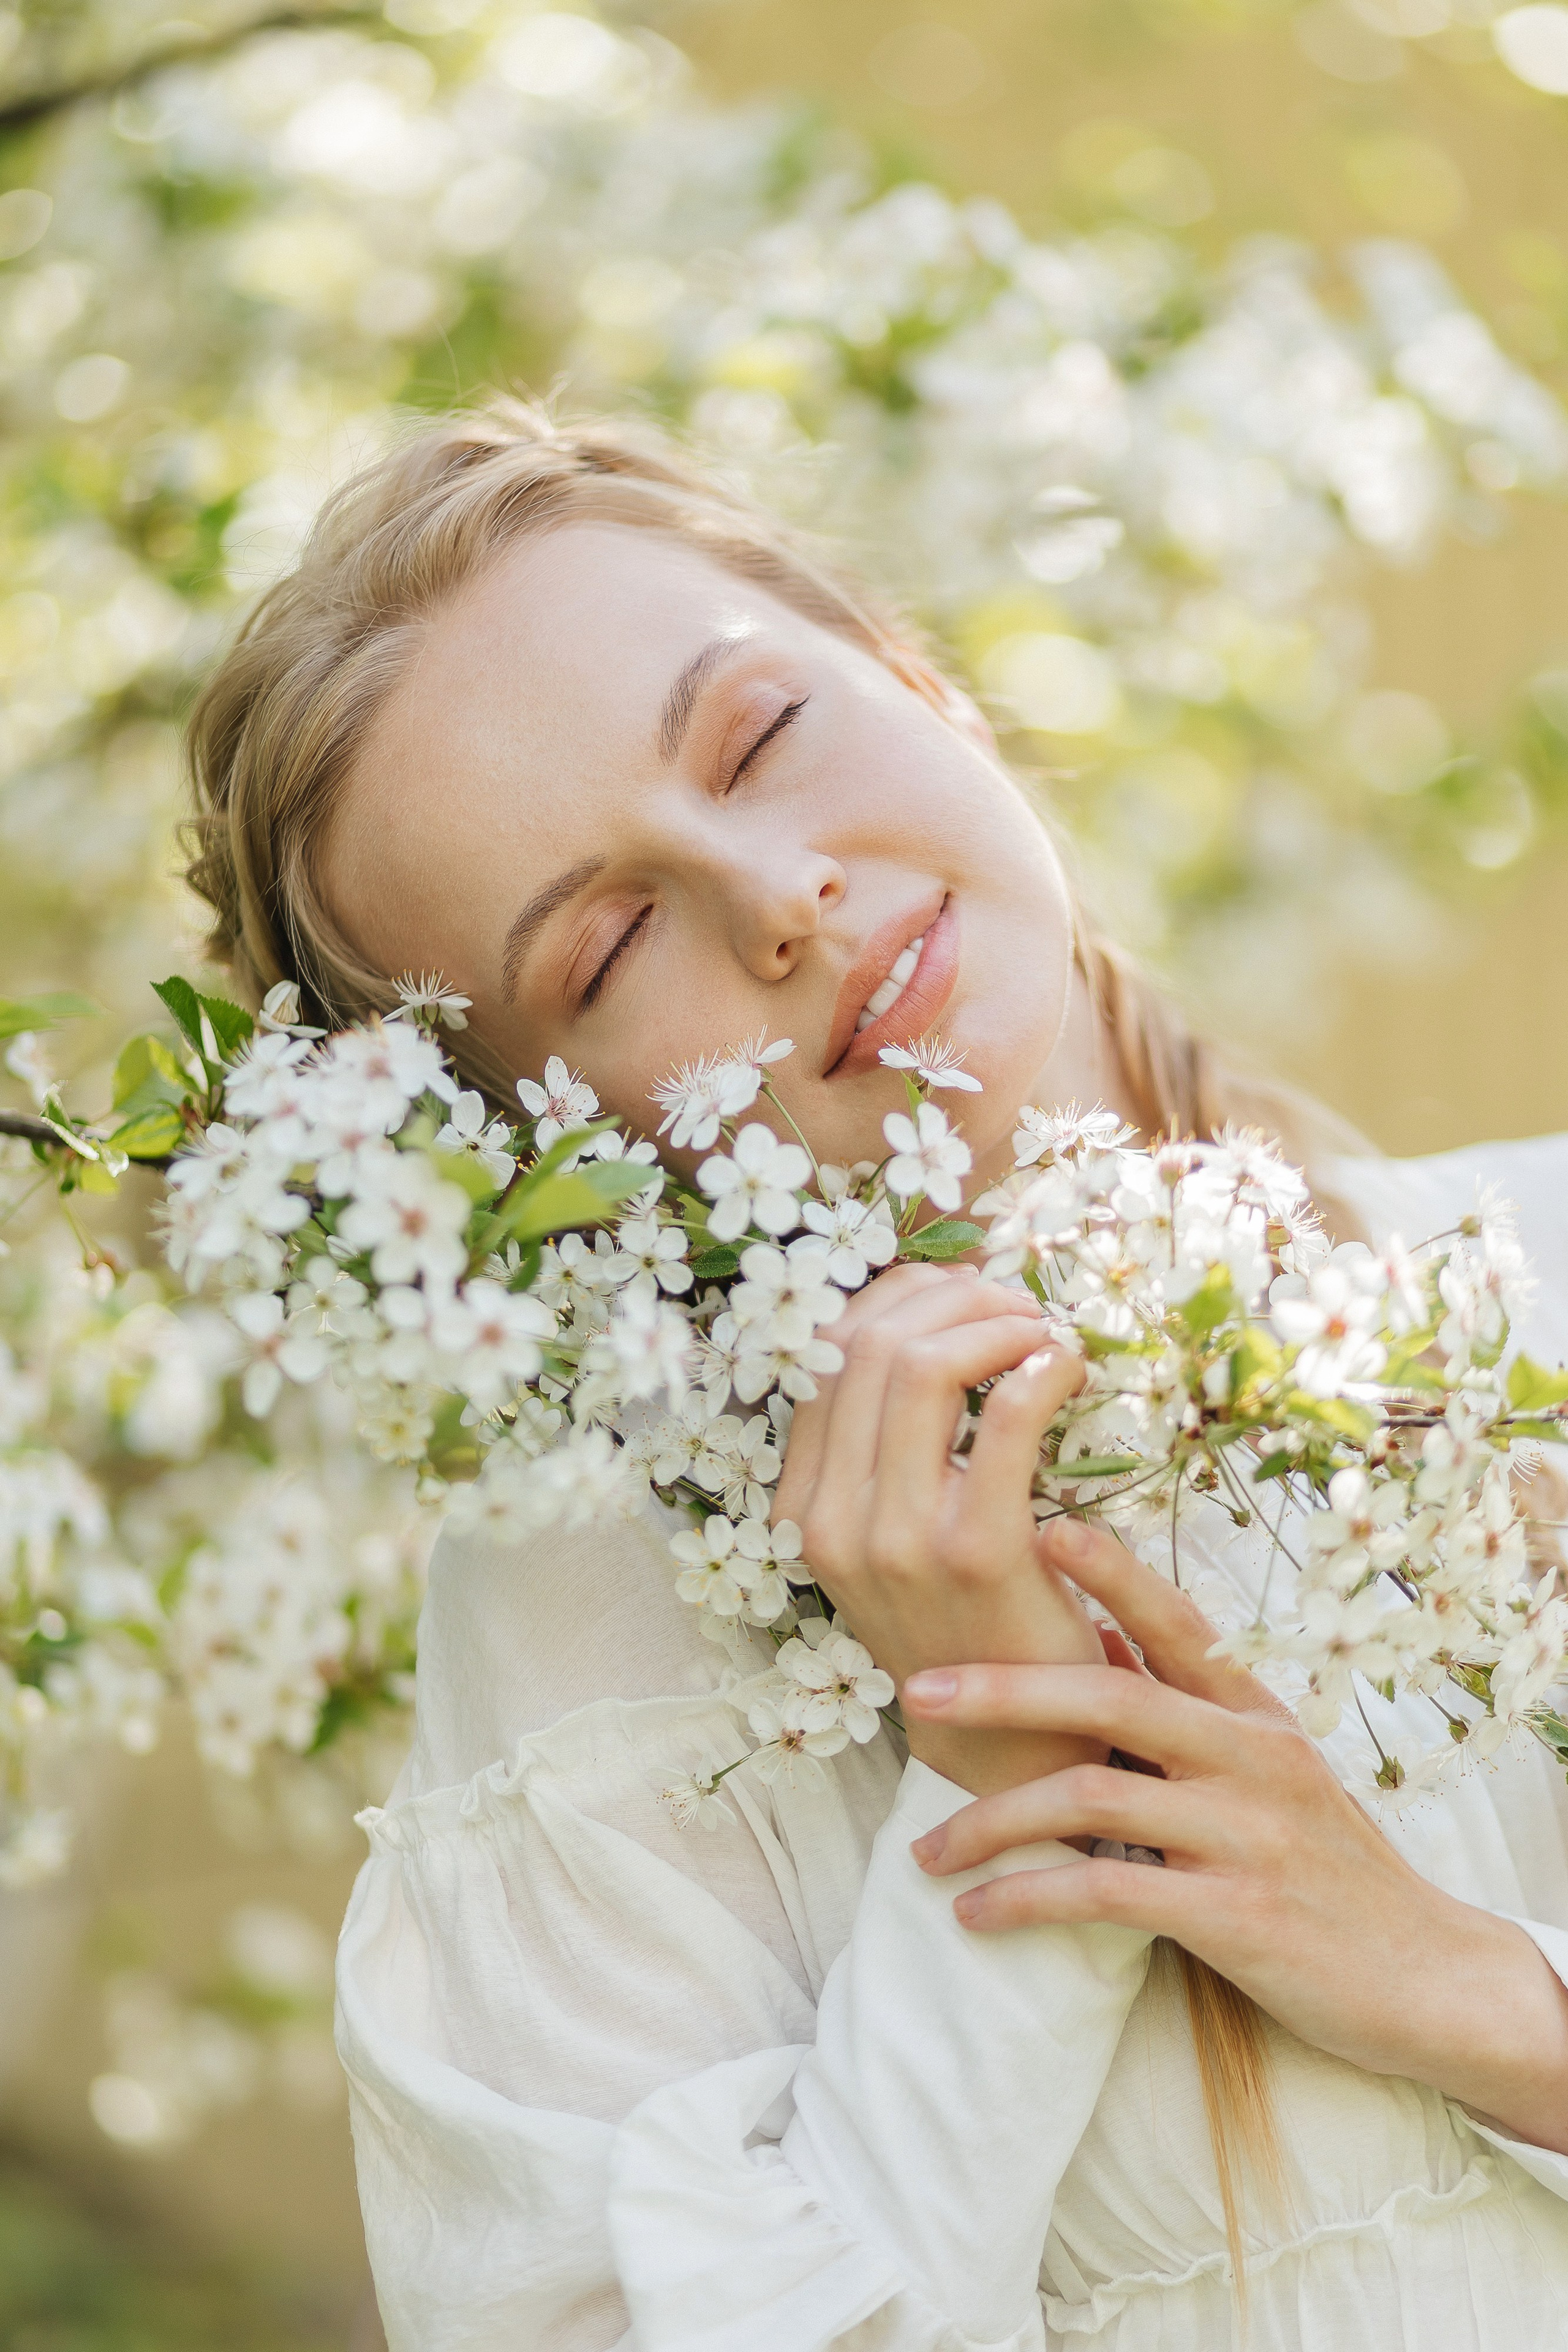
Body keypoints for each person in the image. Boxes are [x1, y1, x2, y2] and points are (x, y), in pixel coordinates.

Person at [183, 401, 1568, 2350]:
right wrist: (1003, 1786)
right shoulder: (611, 1639)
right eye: (606, 949)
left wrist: (1474, 1992)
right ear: (559, 1162)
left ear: (922, 679)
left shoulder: (1539, 1279)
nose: (779, 901)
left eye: (759, 738)